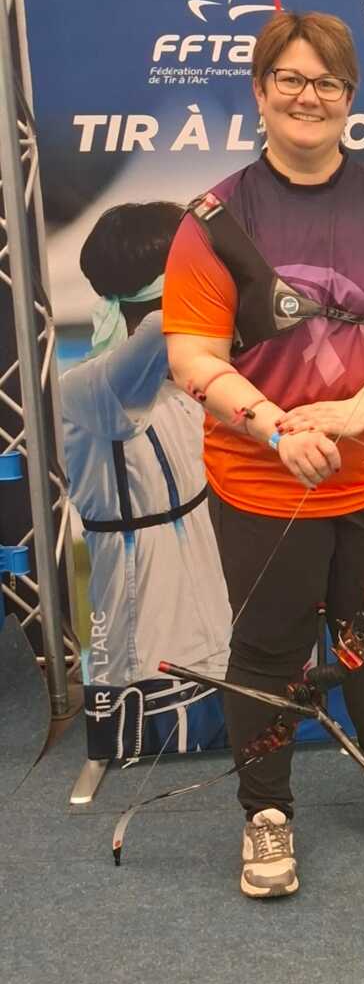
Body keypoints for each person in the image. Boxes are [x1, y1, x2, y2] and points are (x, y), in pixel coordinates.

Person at [163, 11, 364, 898]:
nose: (309, 97)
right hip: (264, 484)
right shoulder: (215, 218)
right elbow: (192, 357)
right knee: (267, 650)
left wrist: (355, 414)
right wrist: (280, 429)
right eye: (289, 79)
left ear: (349, 97)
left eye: (326, 82)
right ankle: (266, 814)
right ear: (260, 92)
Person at [62, 202, 230, 760]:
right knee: (159, 780)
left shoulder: (182, 374)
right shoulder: (88, 387)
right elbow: (161, 330)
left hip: (212, 620)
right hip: (147, 638)